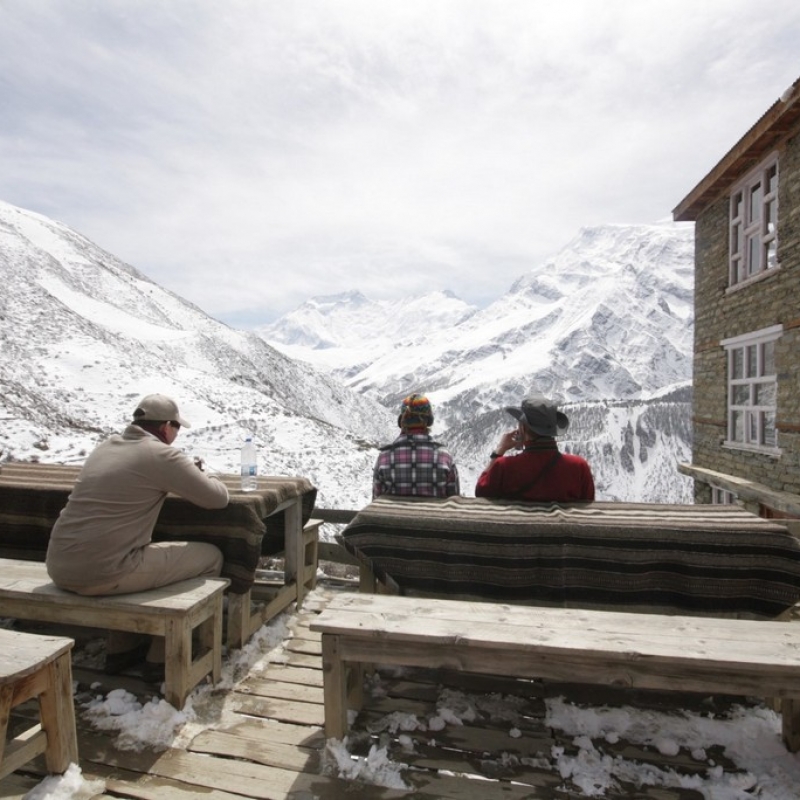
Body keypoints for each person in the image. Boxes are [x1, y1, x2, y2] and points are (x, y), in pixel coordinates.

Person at [46, 393, 230, 679]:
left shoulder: (105, 447)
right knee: (209, 557)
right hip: (103, 573)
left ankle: (122, 648)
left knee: (142, 555)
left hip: (58, 566)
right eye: (177, 428)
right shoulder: (161, 454)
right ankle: (162, 656)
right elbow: (218, 499)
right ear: (166, 427)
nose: (177, 434)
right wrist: (201, 475)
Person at [475, 393, 594, 502]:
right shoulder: (579, 467)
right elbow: (588, 503)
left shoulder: (504, 467)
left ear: (522, 428)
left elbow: (481, 492)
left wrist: (499, 450)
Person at [372, 393, 460, 498]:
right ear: (428, 421)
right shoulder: (445, 458)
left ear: (402, 421)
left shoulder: (384, 458)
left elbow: (377, 502)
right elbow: (454, 501)